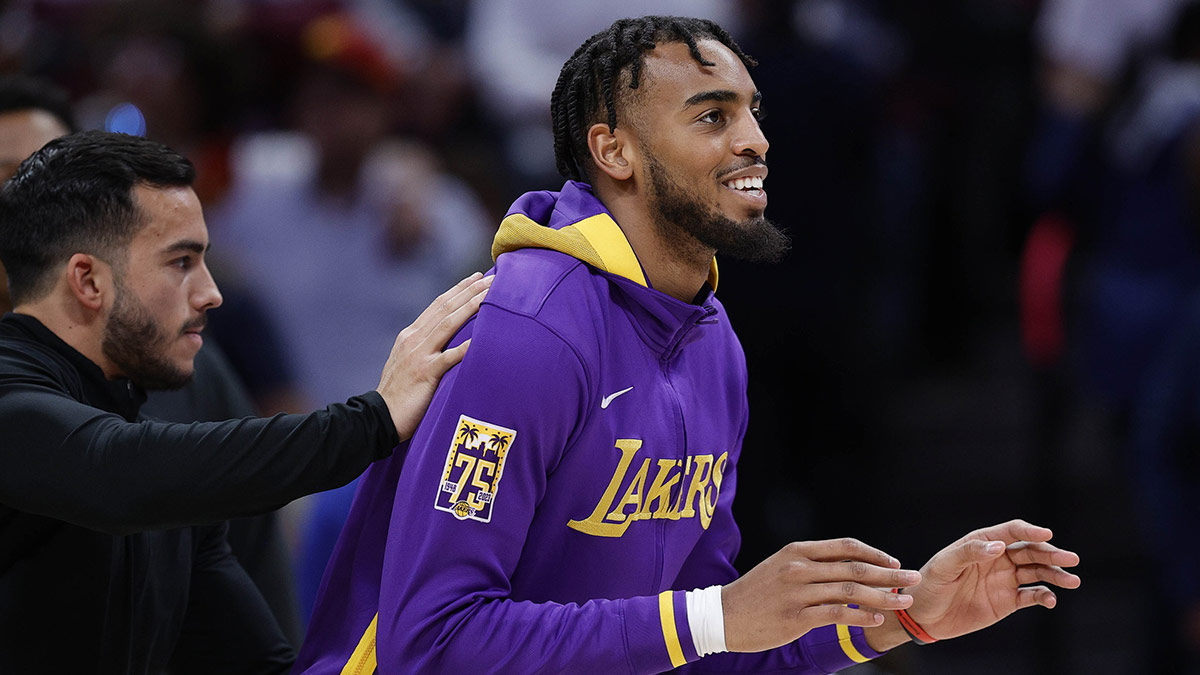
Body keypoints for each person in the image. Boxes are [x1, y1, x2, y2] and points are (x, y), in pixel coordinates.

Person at [296, 16, 1081, 673]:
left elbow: (701, 636)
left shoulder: (712, 341)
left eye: (752, 111)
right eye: (713, 116)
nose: (755, 141)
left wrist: (901, 615)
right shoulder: (525, 333)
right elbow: (431, 644)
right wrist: (712, 617)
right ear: (615, 152)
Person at [0, 130, 490, 673]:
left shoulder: (165, 465)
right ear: (88, 281)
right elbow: (114, 470)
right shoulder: (22, 407)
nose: (211, 292)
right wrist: (374, 418)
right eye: (181, 262)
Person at [0, 72, 309, 647]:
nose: (17, 202)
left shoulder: (188, 369)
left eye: (35, 176)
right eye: (6, 182)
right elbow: (114, 470)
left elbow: (251, 570)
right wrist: (377, 419)